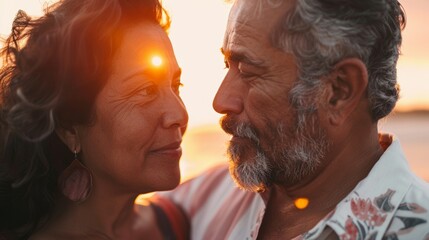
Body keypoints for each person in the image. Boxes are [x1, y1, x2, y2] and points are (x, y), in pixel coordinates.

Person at [155, 0, 429, 239]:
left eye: (249, 72)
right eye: (228, 65)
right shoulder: (211, 193)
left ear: (339, 91)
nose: (220, 101)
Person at [0, 0, 189, 239]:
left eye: (176, 85)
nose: (180, 115)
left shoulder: (173, 222)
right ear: (69, 128)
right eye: (146, 90)